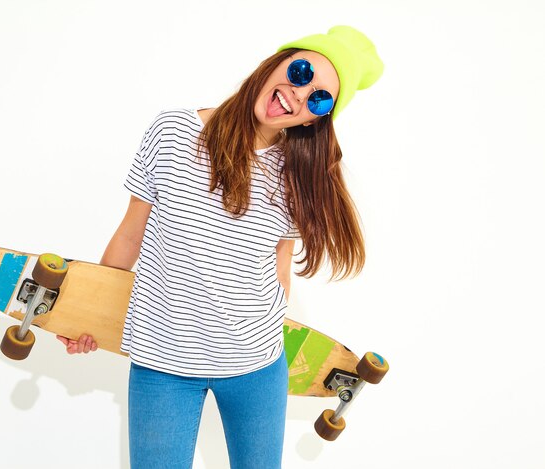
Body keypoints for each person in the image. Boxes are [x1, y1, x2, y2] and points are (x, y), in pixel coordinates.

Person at [57, 25, 383, 469]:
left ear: (314, 120)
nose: (300, 94)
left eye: (319, 99)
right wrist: (85, 312)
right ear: (275, 64)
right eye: (301, 71)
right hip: (163, 362)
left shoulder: (295, 176)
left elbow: (279, 267)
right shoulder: (172, 130)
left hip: (257, 366)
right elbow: (131, 232)